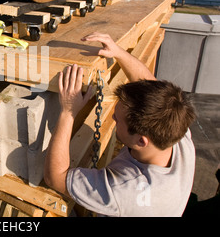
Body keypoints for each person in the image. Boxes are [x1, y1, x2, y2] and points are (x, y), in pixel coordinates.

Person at [44, 32, 197, 217]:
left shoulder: (126, 190)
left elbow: (55, 177)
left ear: (141, 141)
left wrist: (68, 111)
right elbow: (151, 88)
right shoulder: (178, 134)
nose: (113, 119)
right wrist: (118, 52)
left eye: (118, 120)